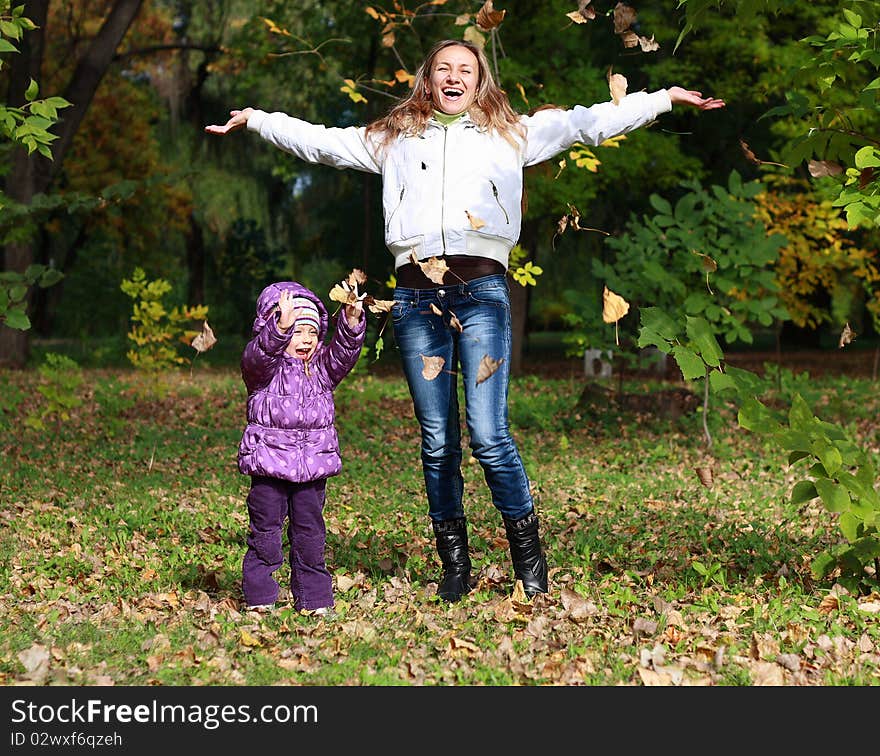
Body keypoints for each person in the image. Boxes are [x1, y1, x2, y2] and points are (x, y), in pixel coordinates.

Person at [206, 38, 725, 603]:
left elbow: (588, 122)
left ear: (480, 81)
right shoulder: (395, 137)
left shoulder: (511, 133)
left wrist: (663, 99)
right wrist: (259, 119)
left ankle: (528, 555)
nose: (454, 77)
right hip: (413, 301)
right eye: (444, 69)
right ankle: (456, 564)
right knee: (437, 442)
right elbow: (324, 143)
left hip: (480, 292)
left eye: (466, 70)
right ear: (429, 78)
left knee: (488, 433)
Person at [237, 280, 365, 615]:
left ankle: (314, 599)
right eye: (295, 331)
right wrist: (278, 329)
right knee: (265, 532)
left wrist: (350, 325)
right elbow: (257, 355)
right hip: (268, 465)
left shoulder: (320, 368)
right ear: (276, 331)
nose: (305, 339)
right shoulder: (264, 369)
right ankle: (260, 596)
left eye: (310, 331)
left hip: (311, 467)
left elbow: (343, 355)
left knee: (310, 534)